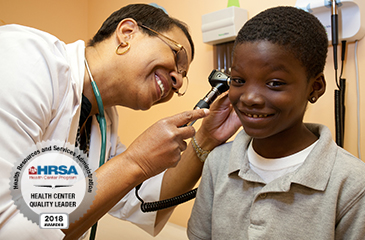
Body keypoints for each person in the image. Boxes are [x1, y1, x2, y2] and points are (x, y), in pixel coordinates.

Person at [0, 4, 241, 240]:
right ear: (127, 33)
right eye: (176, 55)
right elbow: (10, 227)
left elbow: (143, 201)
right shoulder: (26, 59)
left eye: (183, 76)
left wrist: (206, 138)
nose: (178, 80)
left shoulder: (103, 122)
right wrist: (135, 161)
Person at [187, 6, 365, 239]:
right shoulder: (218, 163)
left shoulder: (352, 184)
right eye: (239, 80)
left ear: (315, 87)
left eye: (274, 83)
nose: (249, 97)